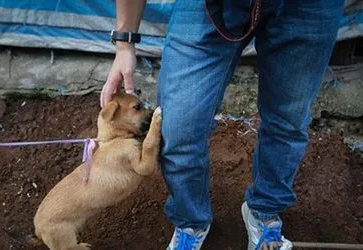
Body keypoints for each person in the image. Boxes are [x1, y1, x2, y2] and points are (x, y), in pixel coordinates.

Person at [101, 0, 344, 249]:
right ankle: (190, 221)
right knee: (178, 126)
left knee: (288, 121)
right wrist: (124, 42)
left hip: (310, 7)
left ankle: (264, 214)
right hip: (208, 5)